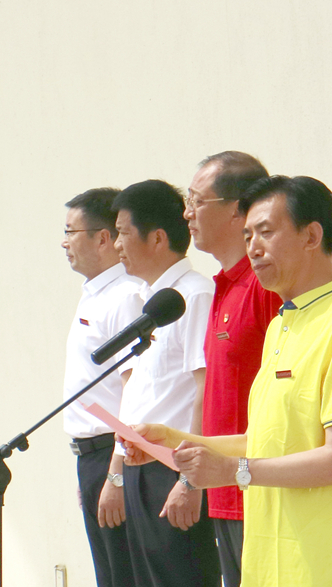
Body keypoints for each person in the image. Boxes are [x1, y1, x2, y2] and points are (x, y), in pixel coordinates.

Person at [124, 175, 332, 587]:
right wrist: (174, 440)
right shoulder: (282, 323)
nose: (253, 247)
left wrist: (235, 471)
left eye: (266, 231)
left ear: (312, 236)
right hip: (269, 560)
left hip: (327, 565)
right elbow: (265, 441)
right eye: (247, 234)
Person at [111, 180, 220, 587]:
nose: (116, 245)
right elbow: (139, 394)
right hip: (139, 465)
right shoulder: (149, 301)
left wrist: (190, 480)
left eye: (122, 233)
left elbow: (204, 390)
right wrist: (117, 471)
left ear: (157, 237)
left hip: (172, 469)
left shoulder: (194, 295)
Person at [183, 152, 282, 587]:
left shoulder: (265, 287)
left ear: (238, 210)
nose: (187, 213)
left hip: (259, 490)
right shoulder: (223, 286)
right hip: (223, 492)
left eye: (196, 201)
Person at [60, 188, 140, 587]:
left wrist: (116, 473)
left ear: (103, 238)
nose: (64, 243)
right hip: (92, 457)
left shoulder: (125, 297)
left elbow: (134, 389)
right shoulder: (95, 293)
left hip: (114, 453)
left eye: (70, 232)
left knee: (122, 575)